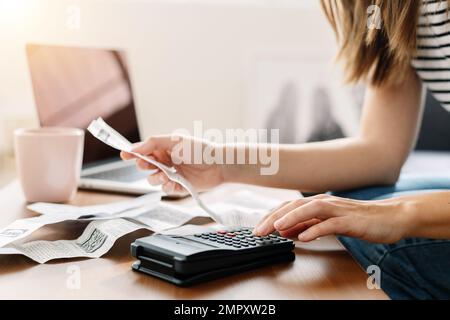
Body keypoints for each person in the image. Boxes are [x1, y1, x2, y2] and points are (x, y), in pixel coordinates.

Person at [121, 0, 450, 299]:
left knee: (386, 244)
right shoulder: (391, 9)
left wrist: (398, 215)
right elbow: (379, 153)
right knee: (345, 203)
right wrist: (221, 163)